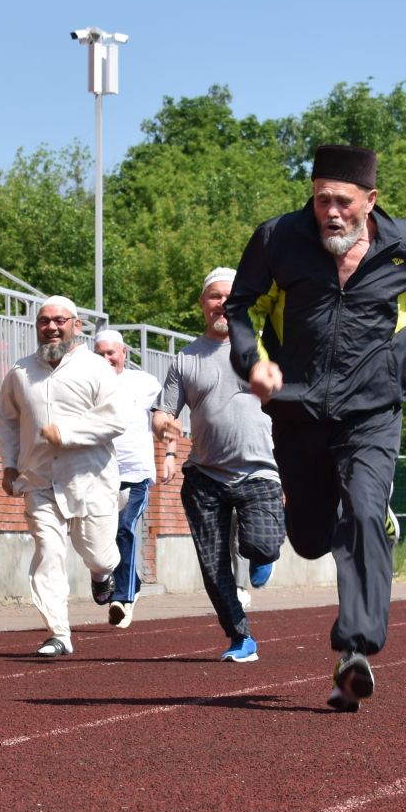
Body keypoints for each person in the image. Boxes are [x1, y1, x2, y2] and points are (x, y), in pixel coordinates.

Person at [225, 144, 406, 711]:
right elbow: (241, 306)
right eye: (320, 200)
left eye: (342, 201)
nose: (330, 213)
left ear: (370, 201)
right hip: (298, 410)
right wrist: (252, 361)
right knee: (310, 540)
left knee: (362, 513)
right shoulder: (278, 238)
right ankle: (351, 525)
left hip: (373, 409)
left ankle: (355, 649)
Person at [152, 267, 284, 663]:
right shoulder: (186, 359)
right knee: (213, 567)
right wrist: (164, 426)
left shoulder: (265, 349)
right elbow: (162, 412)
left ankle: (264, 553)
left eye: (230, 296)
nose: (222, 303)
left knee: (258, 544)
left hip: (260, 470)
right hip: (206, 475)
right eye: (214, 296)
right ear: (203, 304)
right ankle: (240, 637)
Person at [0, 295, 125, 657]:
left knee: (98, 556)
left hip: (90, 480)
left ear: (76, 325)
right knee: (48, 552)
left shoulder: (97, 369)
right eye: (44, 321)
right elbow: (6, 420)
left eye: (59, 320)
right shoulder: (20, 373)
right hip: (39, 479)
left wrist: (67, 436)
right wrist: (9, 464)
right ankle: (58, 633)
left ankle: (102, 576)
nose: (51, 327)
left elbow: (115, 420)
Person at [93, 328, 165, 629]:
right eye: (101, 353)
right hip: (97, 473)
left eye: (112, 352)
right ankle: (107, 578)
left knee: (124, 529)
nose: (107, 358)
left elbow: (166, 413)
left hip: (134, 473)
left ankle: (122, 598)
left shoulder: (144, 383)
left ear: (124, 353)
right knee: (97, 536)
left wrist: (170, 453)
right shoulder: (87, 385)